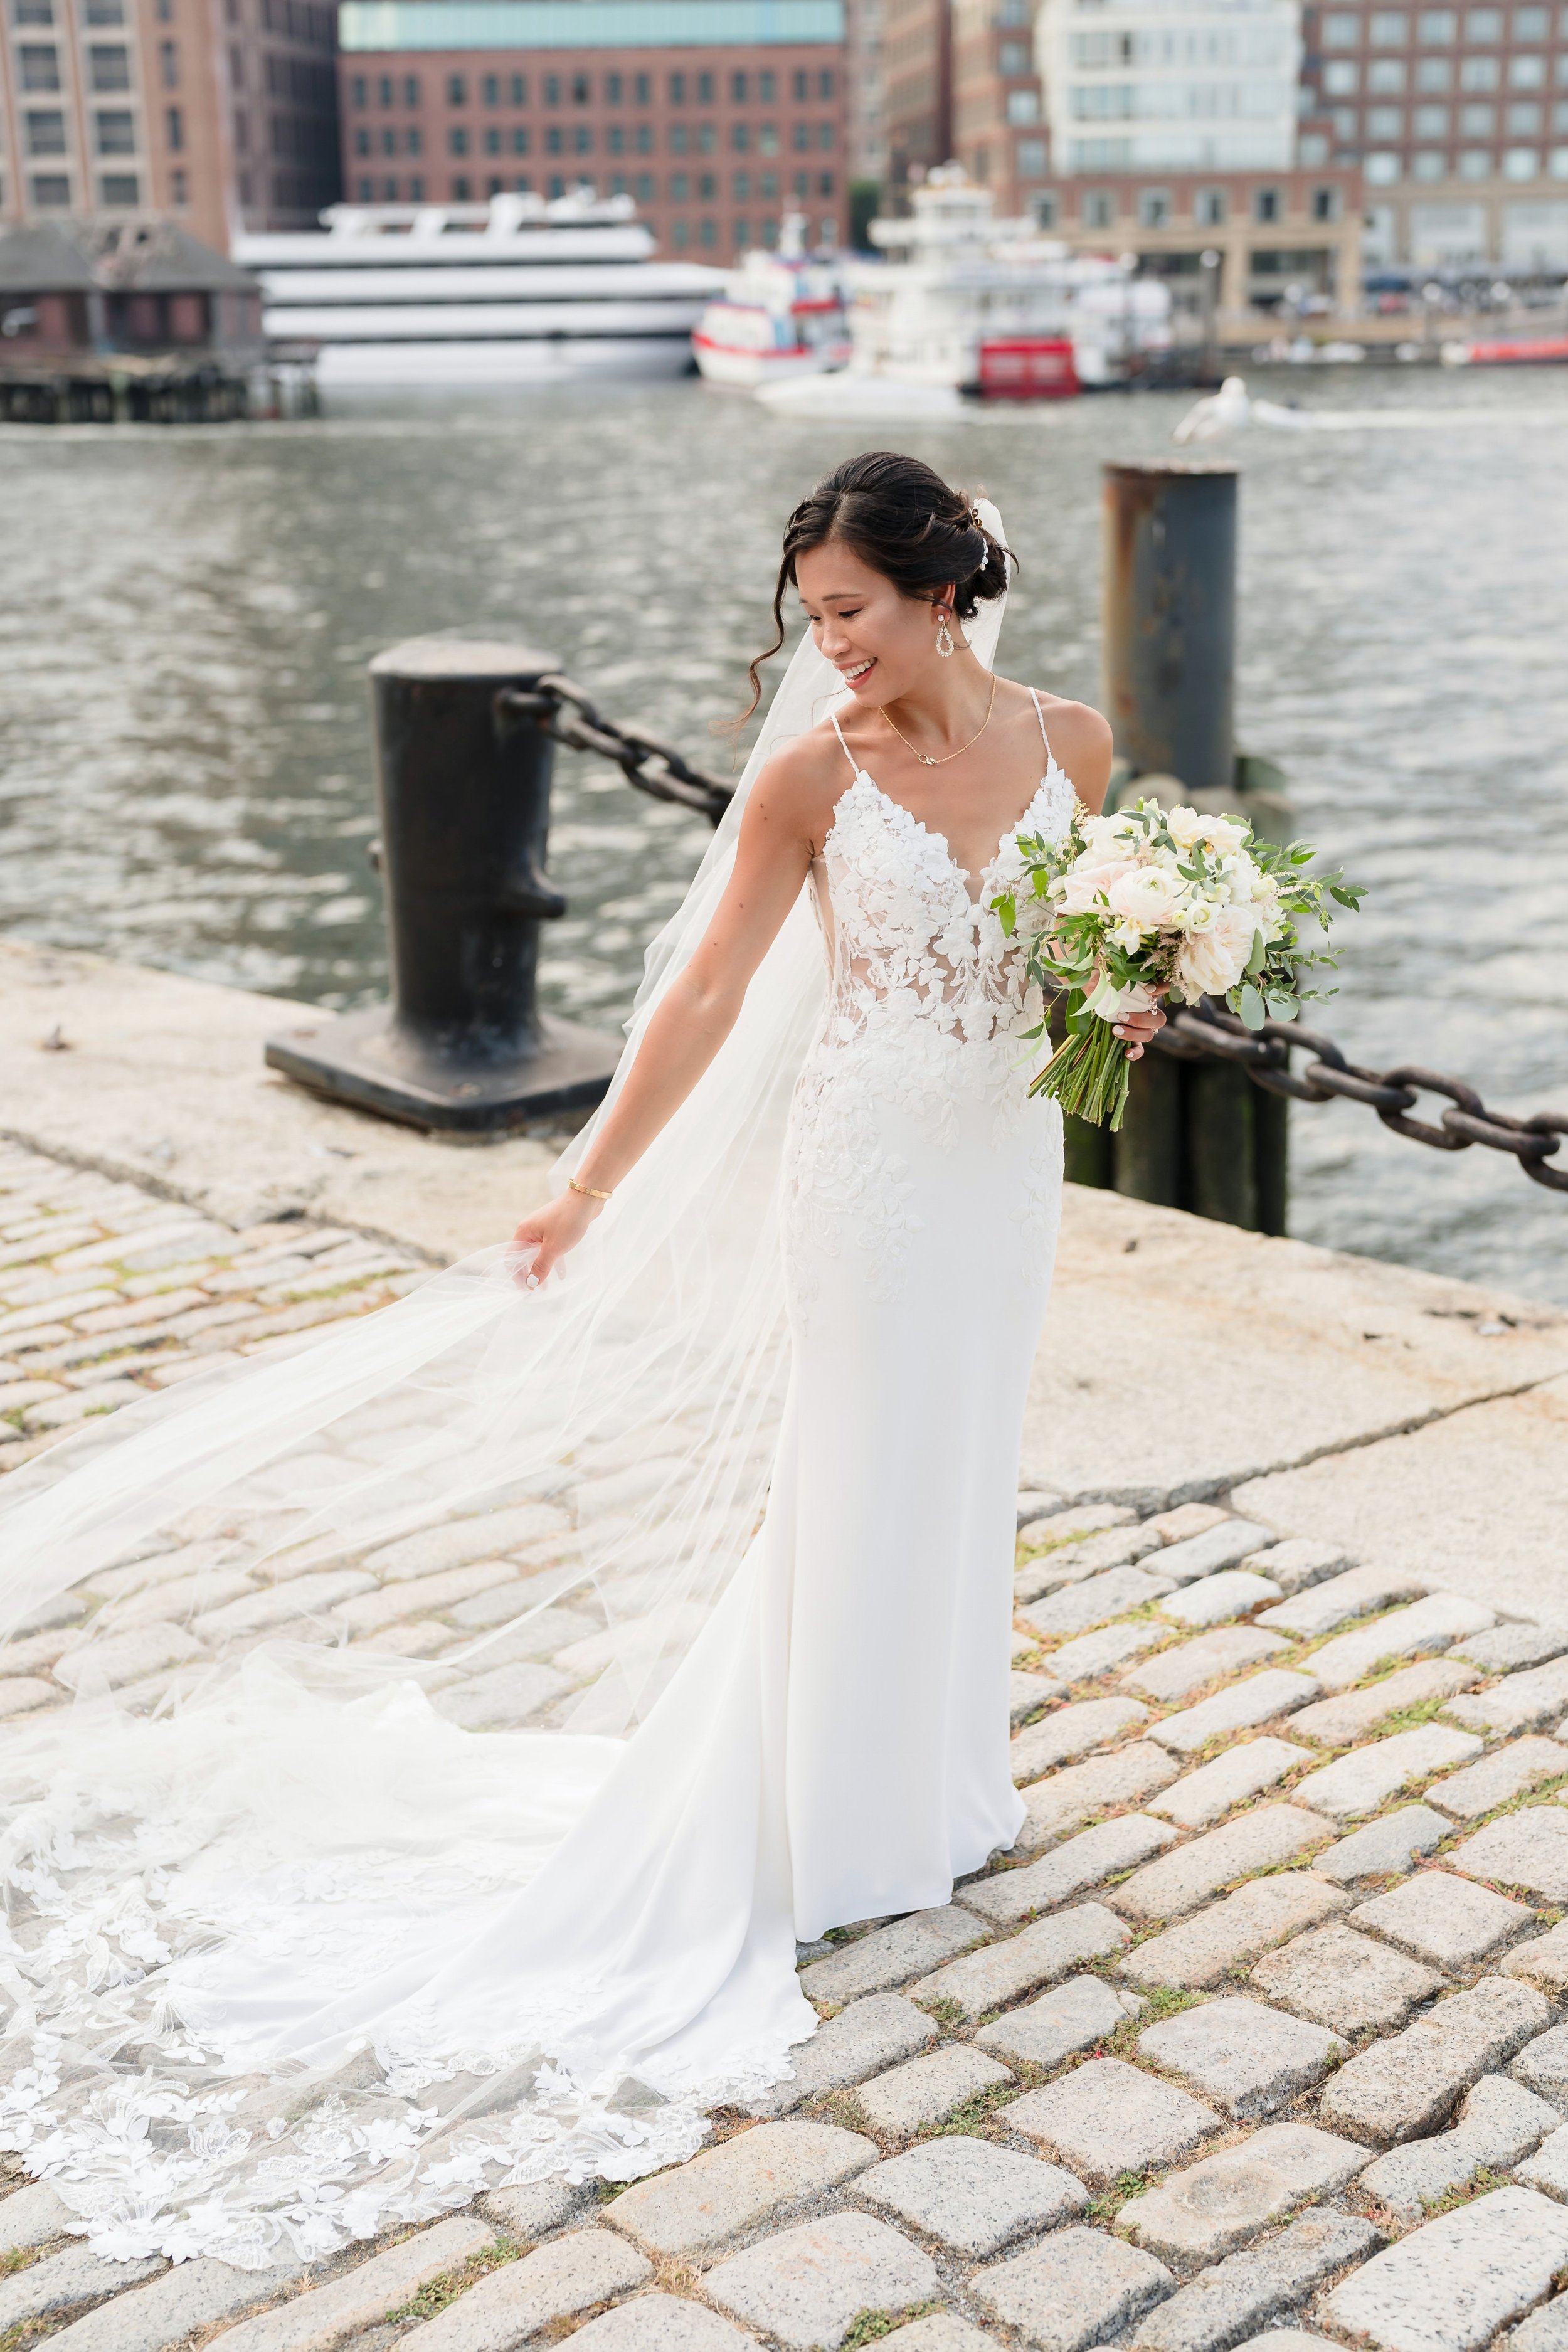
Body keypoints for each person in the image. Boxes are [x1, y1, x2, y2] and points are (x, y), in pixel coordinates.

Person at [0, 452, 1162, 2269]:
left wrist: (1136, 1000)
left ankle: (939, 1781)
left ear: (943, 588)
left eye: (850, 610)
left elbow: (1076, 975)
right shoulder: (807, 775)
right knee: (851, 1469)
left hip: (1002, 1167)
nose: (828, 646)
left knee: (958, 1457)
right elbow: (703, 992)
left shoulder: (1074, 748)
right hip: (861, 1174)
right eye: (812, 620)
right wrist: (583, 1188)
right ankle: (829, 1820)